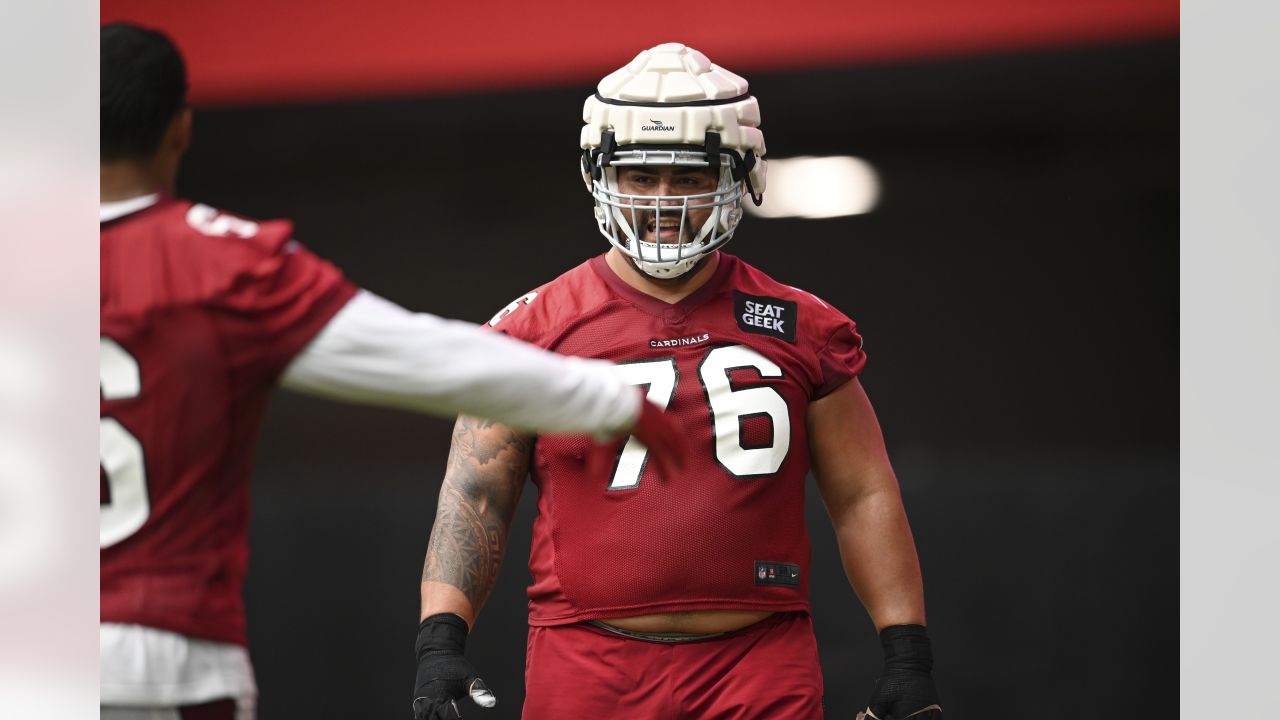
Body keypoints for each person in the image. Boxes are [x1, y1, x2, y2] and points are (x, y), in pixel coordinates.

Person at [99, 23, 688, 720]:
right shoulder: (220, 263)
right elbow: (425, 358)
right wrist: (602, 396)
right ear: (181, 129)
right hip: (159, 660)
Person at [412, 42, 942, 720]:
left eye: (687, 176)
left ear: (739, 174)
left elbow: (864, 492)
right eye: (640, 174)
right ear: (600, 173)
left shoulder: (801, 325)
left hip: (758, 665)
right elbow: (476, 493)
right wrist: (440, 640)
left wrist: (907, 654)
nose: (663, 200)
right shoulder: (532, 331)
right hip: (588, 662)